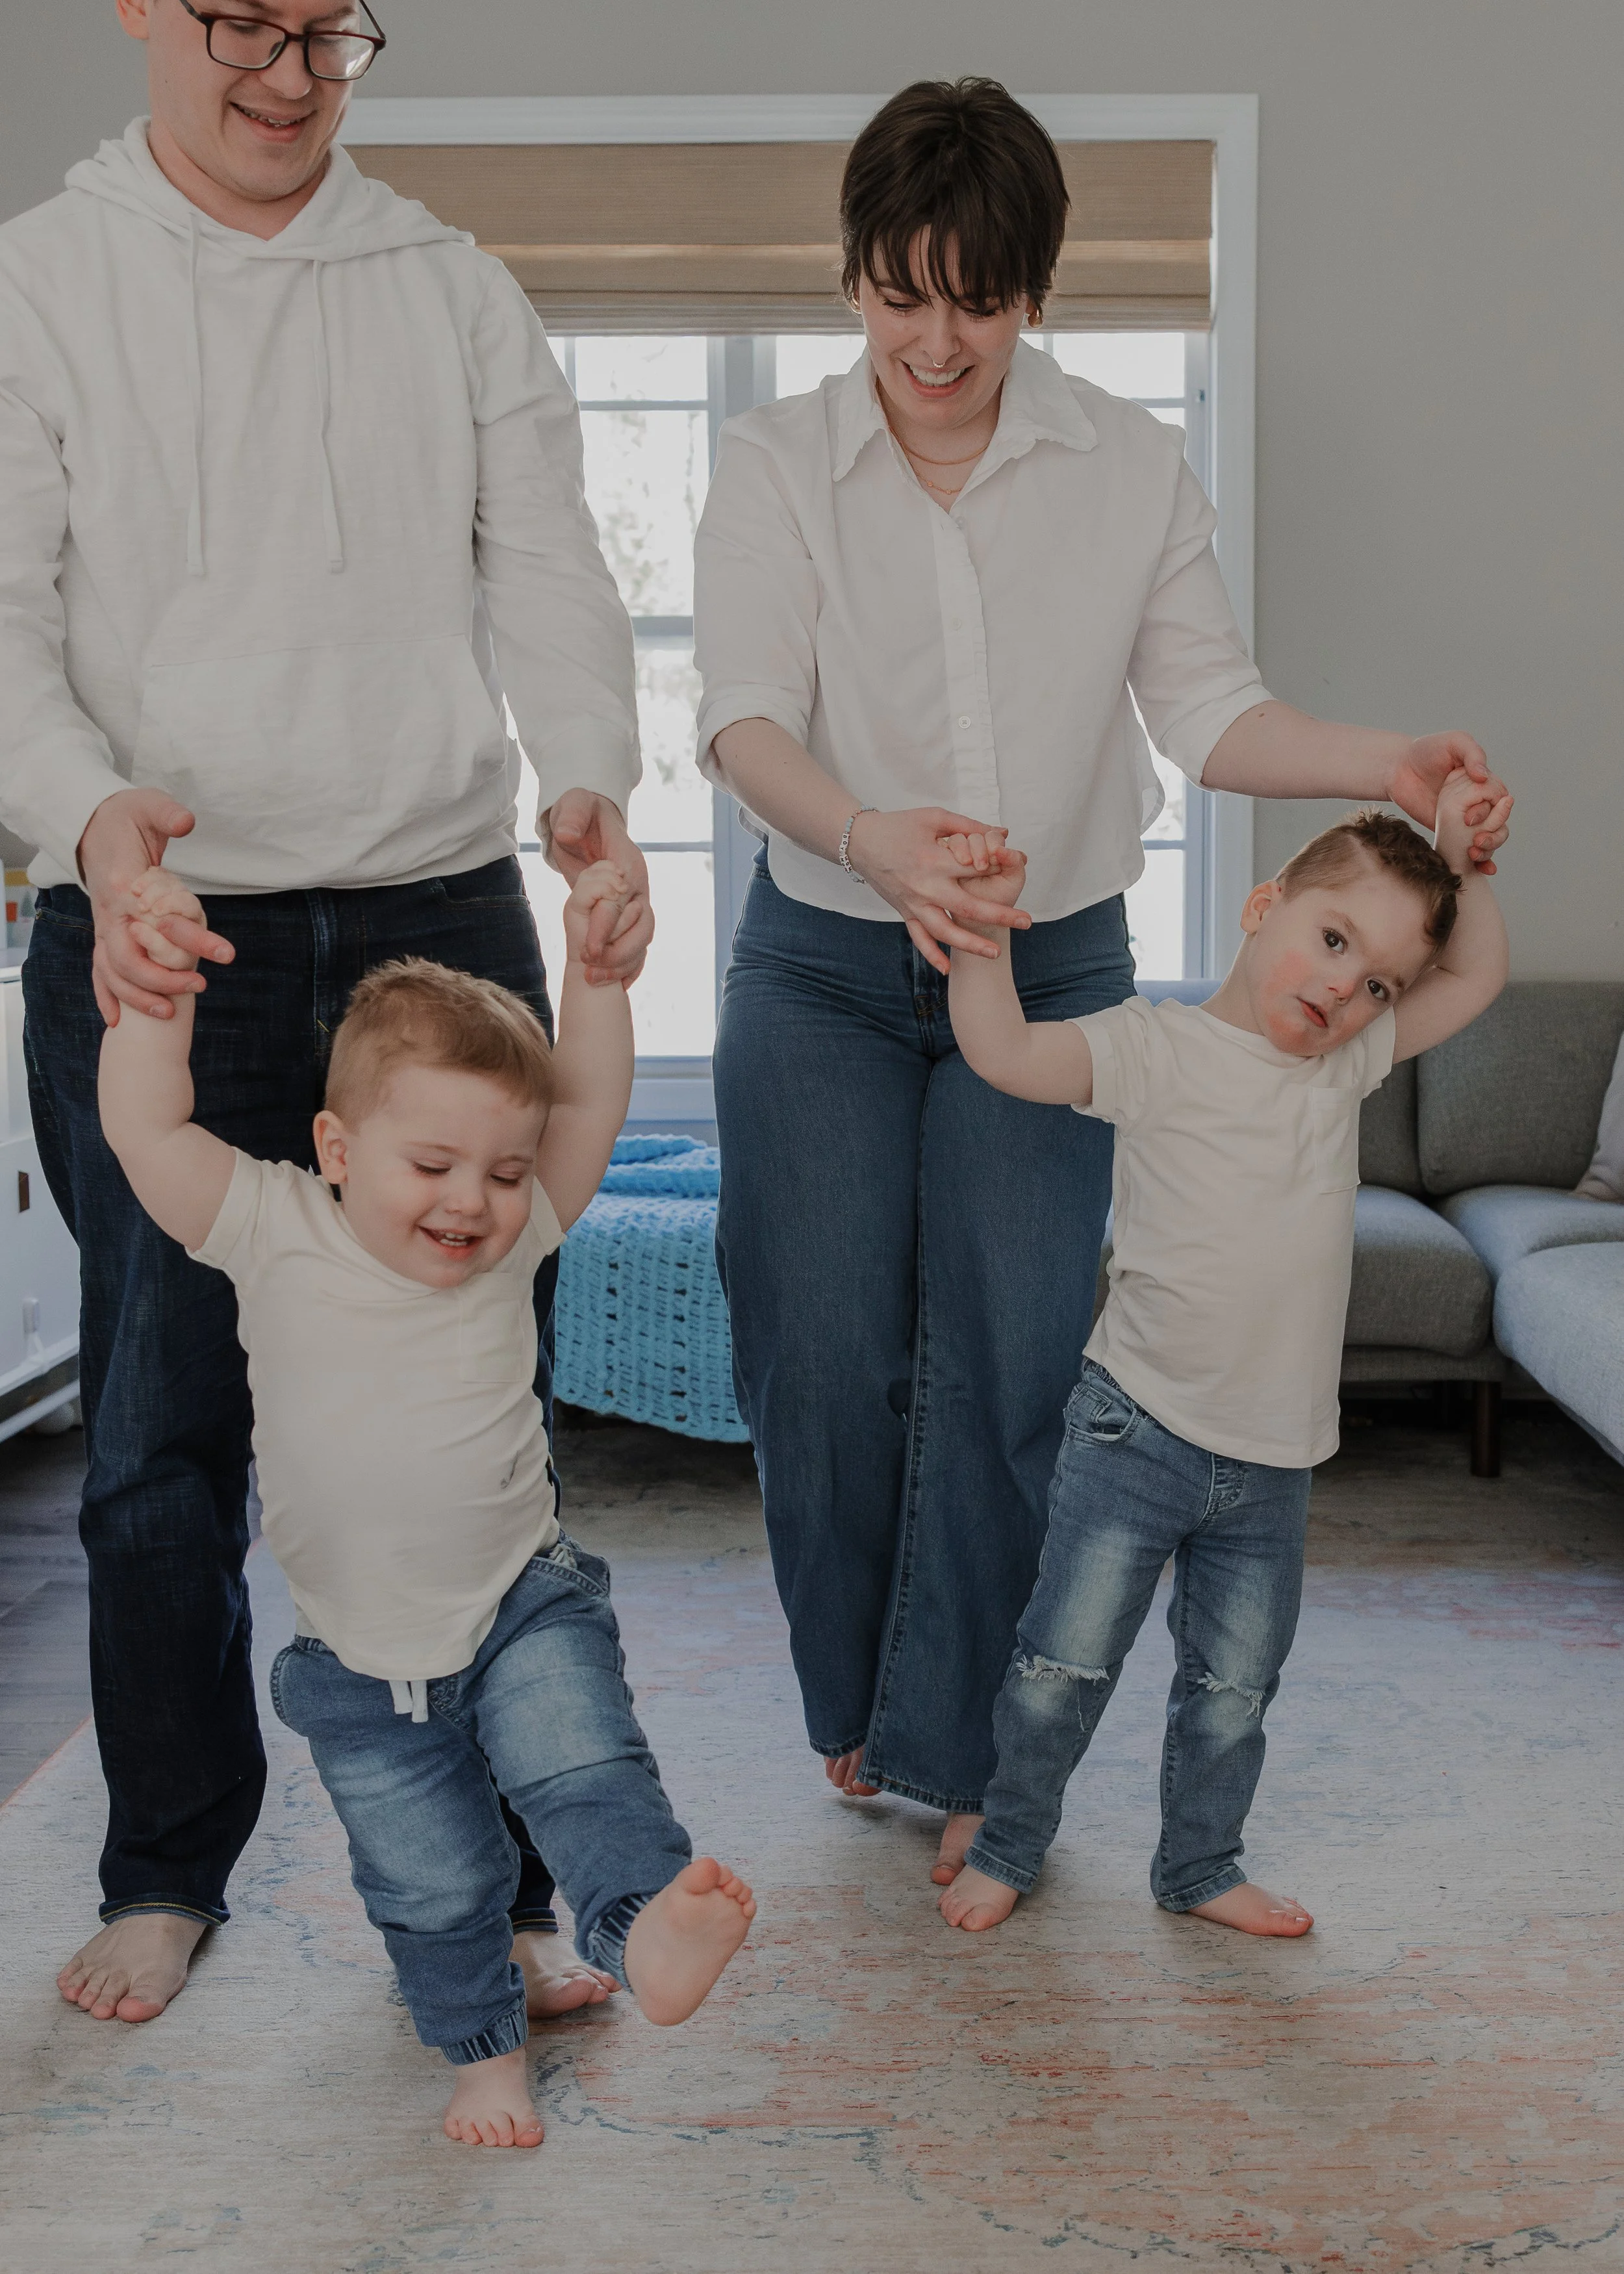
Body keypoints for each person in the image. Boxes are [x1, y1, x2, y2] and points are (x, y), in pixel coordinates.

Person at [692, 75, 1514, 1884]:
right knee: (816, 1354)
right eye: (899, 294)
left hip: (1051, 963)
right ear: (852, 283)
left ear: (1033, 293)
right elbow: (740, 718)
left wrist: (1393, 759)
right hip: (823, 956)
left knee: (1009, 1362)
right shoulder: (772, 468)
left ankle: (962, 1746)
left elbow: (1211, 711)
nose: (935, 338)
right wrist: (871, 835)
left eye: (975, 299)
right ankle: (851, 1704)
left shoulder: (1128, 465)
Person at [0, 0, 652, 2025]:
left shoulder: (446, 286)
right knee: (159, 1439)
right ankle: (167, 1864)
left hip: (437, 909)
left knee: (480, 1423)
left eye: (335, 31)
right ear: (137, 10)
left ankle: (515, 1887)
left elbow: (549, 564)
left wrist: (591, 784)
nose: (289, 71)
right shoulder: (40, 280)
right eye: (242, 23)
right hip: (155, 909)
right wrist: (98, 827)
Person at [95, 863, 755, 2148]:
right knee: (430, 1877)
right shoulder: (271, 1225)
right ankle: (481, 2056)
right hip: (358, 1661)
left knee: (585, 1772)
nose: (473, 1200)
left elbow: (592, 1102)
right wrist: (155, 1004)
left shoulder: (514, 1235)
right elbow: (147, 1133)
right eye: (436, 1163)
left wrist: (598, 979)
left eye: (505, 1171)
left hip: (523, 1601)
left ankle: (642, 1929)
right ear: (338, 1150)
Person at [935, 773, 1511, 1934]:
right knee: (1062, 1670)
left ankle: (1200, 1865)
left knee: (1234, 1692)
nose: (1345, 987)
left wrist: (1469, 867)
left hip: (1275, 1457)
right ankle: (1009, 1839)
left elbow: (1482, 973)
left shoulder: (1347, 1063)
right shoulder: (1154, 1049)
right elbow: (1002, 1054)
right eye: (1333, 938)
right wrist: (986, 935)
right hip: (1135, 1423)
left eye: (1377, 981)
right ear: (1263, 906)